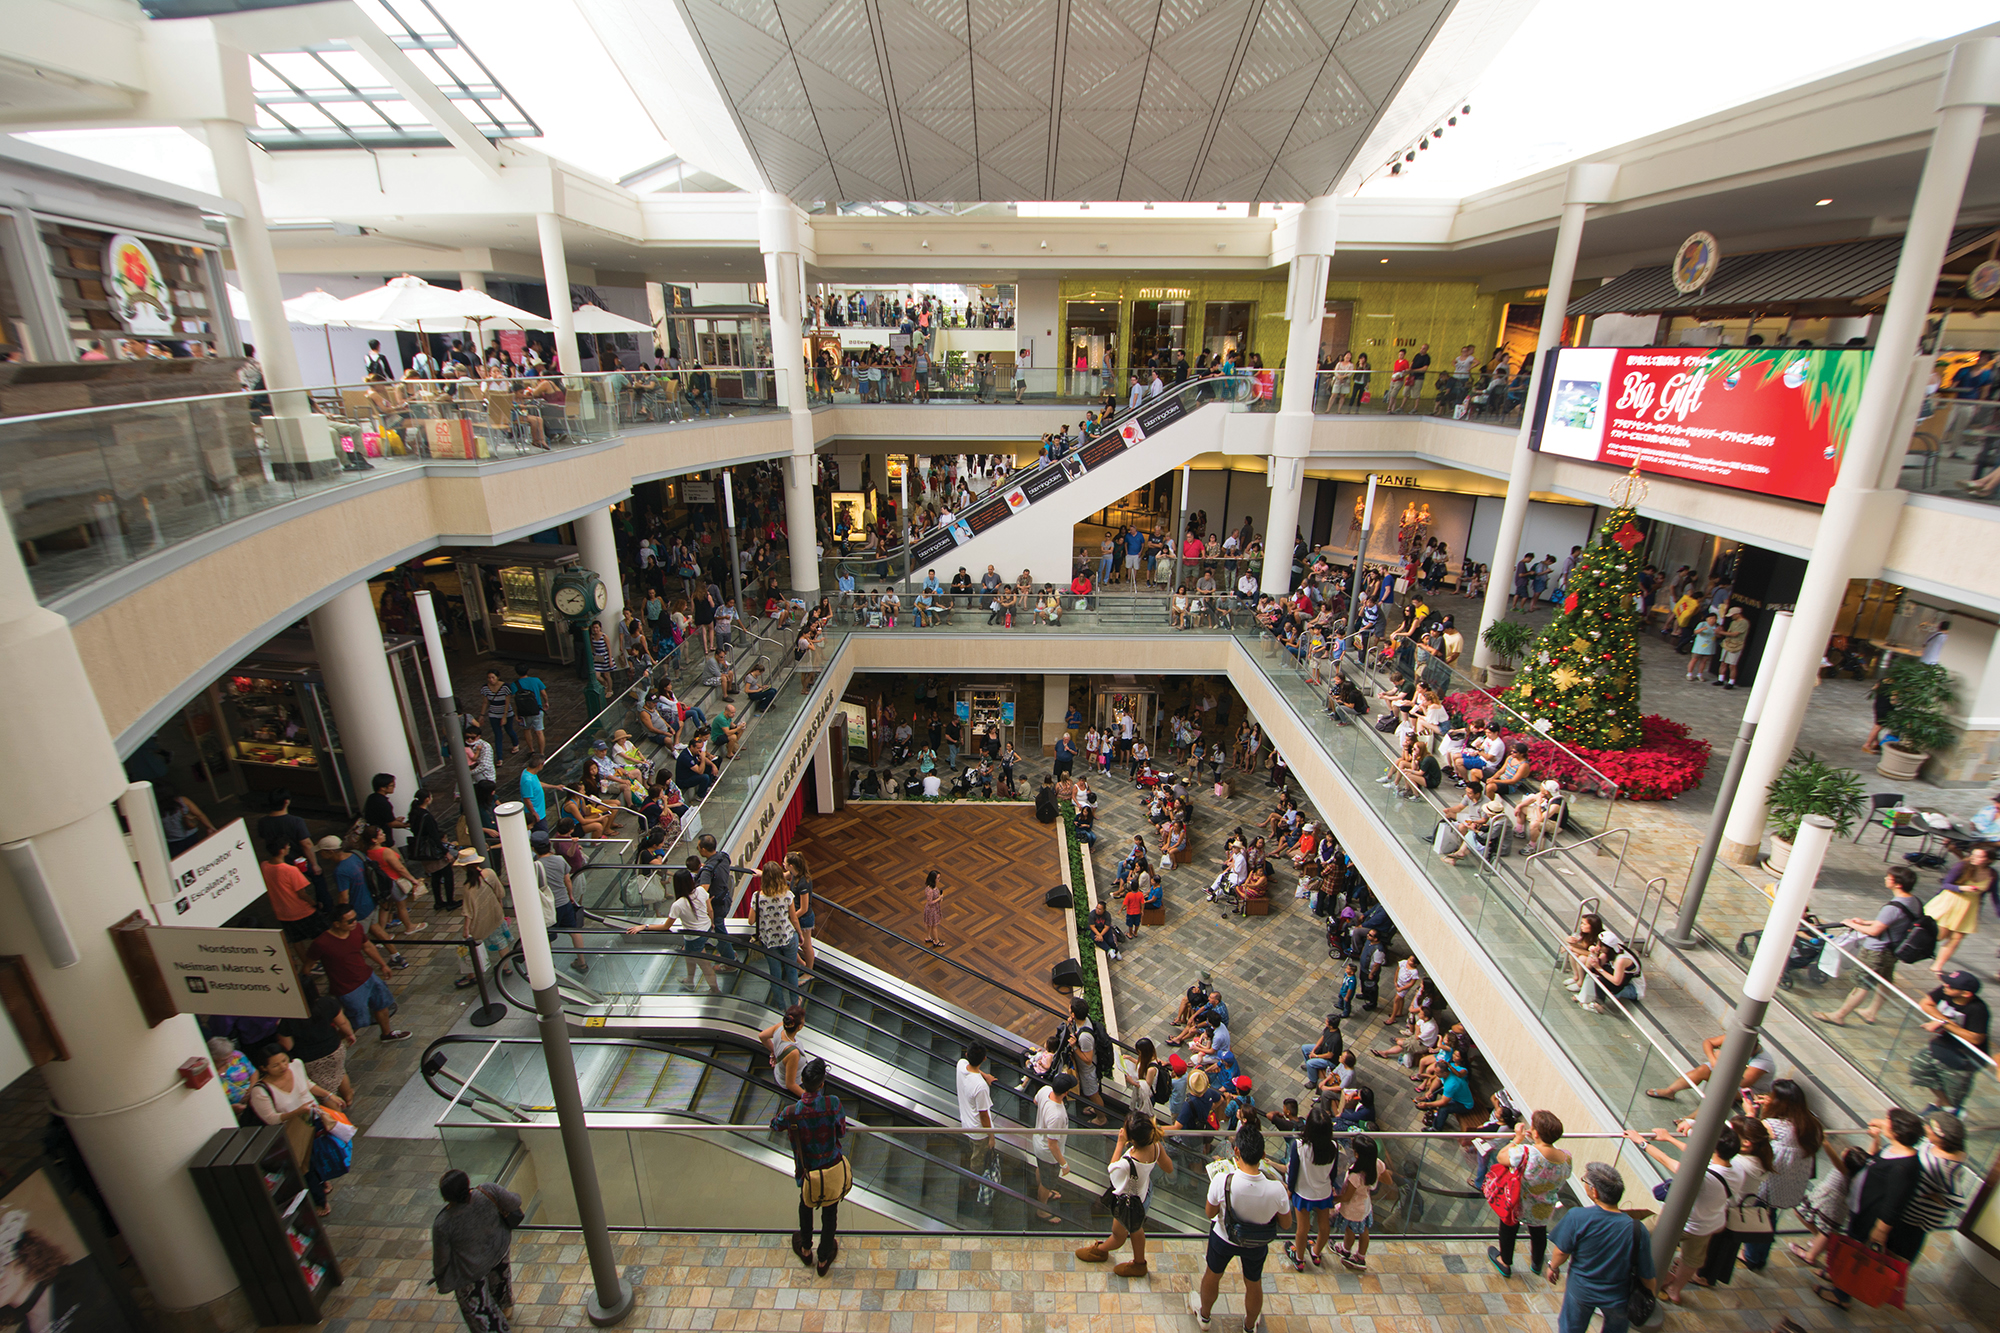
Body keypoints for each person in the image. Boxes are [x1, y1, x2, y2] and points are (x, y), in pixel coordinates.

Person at [1818, 1107, 1926, 1309]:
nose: (1884, 1122)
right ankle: (1838, 1279)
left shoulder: (1904, 1168)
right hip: (1862, 1211)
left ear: (1897, 1132)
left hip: (1871, 1221)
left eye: (1888, 1121)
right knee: (1850, 1247)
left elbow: (1894, 1204)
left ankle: (1842, 1295)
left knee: (1857, 1255)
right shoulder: (1893, 1149)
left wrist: (1880, 1231)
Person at [1189, 1126, 1291, 1332]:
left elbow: (1210, 1213)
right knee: (1253, 1282)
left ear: (1236, 1152)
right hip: (1257, 1243)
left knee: (1213, 1274)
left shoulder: (1222, 1181)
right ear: (1263, 1155)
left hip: (1224, 1238)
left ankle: (1205, 1316)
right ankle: (1249, 1325)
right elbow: (1286, 1224)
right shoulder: (1277, 1189)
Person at [1625, 1123, 1737, 1305]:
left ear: (1712, 1149)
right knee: (1692, 1259)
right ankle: (1675, 1290)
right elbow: (1699, 1155)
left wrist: (1641, 1142)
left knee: (1632, 1235)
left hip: (1681, 1222)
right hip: (1709, 1224)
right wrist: (1669, 1138)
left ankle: (1656, 1274)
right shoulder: (1735, 1168)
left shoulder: (1702, 1174)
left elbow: (1666, 1160)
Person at [1546, 1161, 1656, 1333]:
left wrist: (1552, 1267)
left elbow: (1561, 1251)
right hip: (1618, 1295)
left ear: (1594, 1191)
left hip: (1581, 1290)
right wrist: (1650, 1296)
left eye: (1585, 1181)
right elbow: (1646, 1272)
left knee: (1571, 1328)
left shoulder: (1578, 1217)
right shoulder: (1636, 1229)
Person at [1814, 867, 1922, 1026]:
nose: (1886, 879)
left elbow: (1875, 931)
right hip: (1893, 950)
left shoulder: (1892, 907)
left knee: (1862, 982)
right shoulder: (1914, 901)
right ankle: (1871, 1012)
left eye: (1889, 877)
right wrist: (1866, 922)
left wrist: (1851, 924)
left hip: (1876, 951)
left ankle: (1839, 1015)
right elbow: (1895, 922)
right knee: (1884, 980)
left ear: (1898, 884)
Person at [771, 1056, 848, 1276]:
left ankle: (806, 1249)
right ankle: (823, 1259)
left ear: (803, 1083)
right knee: (830, 1211)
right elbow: (841, 1131)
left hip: (807, 1171)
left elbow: (775, 1125)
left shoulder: (792, 1112)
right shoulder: (832, 1103)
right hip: (831, 1167)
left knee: (805, 1205)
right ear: (822, 1083)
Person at [247, 1043, 346, 1214]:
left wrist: (328, 1095)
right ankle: (320, 1201)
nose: (283, 1067)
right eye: (275, 1065)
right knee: (305, 1167)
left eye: (284, 1061)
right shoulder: (261, 1091)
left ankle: (322, 1181)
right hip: (293, 1132)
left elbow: (307, 1084)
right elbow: (271, 1119)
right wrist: (297, 1112)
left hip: (315, 1120)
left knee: (320, 1155)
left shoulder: (297, 1065)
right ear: (264, 1068)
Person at [431, 1168, 521, 1332]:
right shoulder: (488, 1190)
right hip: (498, 1250)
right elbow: (514, 1202)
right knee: (500, 1281)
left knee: (480, 1309)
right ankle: (506, 1308)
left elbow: (441, 1258)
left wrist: (439, 1274)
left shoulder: (443, 1224)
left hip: (470, 1269)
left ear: (445, 1196)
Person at [1488, 1110, 1572, 1280]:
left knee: (1508, 1228)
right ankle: (1536, 1263)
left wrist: (1517, 1139)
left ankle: (1505, 1262)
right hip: (1544, 1205)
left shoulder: (1526, 1152)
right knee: (1539, 1232)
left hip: (1519, 1201)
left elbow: (1501, 1157)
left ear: (1536, 1133)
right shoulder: (1566, 1157)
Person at [309, 906, 410, 1041]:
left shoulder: (357, 929)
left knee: (382, 1004)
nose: (354, 923)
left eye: (355, 919)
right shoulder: (321, 943)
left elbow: (367, 946)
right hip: (347, 988)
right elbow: (308, 965)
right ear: (337, 924)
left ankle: (386, 1034)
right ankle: (334, 1044)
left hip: (368, 976)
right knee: (355, 1020)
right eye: (350, 921)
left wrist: (383, 964)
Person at [1910, 971, 1989, 1113]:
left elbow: (1976, 1038)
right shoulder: (1945, 990)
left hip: (1966, 1057)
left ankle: (1947, 1112)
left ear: (1966, 994)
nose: (1946, 986)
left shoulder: (1978, 1009)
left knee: (1954, 1090)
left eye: (1951, 986)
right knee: (1919, 1068)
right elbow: (1926, 1003)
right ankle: (1946, 1107)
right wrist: (1943, 1021)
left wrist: (1943, 1024)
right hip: (1944, 1045)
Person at [1282, 1106, 1341, 1271]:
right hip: (1323, 1192)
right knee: (1324, 1226)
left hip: (1303, 1193)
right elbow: (1333, 1173)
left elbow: (1293, 1172)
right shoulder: (1333, 1147)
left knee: (1302, 1228)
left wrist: (1290, 1190)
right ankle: (1316, 1253)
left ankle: (1299, 1259)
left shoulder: (1299, 1146)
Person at [1644, 1032, 1775, 1101]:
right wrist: (1713, 1060)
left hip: (1749, 1091)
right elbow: (1709, 1042)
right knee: (1703, 1070)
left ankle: (1694, 1119)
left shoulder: (1762, 1063)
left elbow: (1743, 1083)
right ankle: (1670, 1091)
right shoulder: (1735, 1039)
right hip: (1727, 1070)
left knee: (1721, 1089)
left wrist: (1721, 1061)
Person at [1926, 846, 1991, 972]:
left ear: (1988, 860)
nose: (1974, 858)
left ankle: (1938, 965)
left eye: (1979, 856)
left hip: (1969, 908)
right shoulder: (1962, 866)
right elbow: (1946, 884)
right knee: (1940, 936)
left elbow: (1993, 895)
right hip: (1951, 903)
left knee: (1957, 939)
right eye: (1973, 855)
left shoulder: (1991, 874)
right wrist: (1962, 888)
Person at [1333, 1133, 1389, 1272]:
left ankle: (1346, 1250)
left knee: (1350, 1230)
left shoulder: (1355, 1176)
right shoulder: (1377, 1164)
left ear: (1358, 1155)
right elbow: (1387, 1179)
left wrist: (1334, 1198)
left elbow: (1346, 1197)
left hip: (1353, 1210)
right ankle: (1361, 1255)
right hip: (1365, 1206)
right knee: (1364, 1231)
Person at [751, 861, 803, 1006]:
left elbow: (750, 920)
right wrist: (800, 934)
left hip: (769, 941)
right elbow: (793, 918)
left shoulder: (757, 896)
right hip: (788, 937)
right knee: (791, 971)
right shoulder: (787, 895)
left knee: (775, 974)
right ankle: (794, 1003)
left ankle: (780, 1006)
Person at [1030, 1071, 1074, 1224]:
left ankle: (1044, 1192)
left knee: (1041, 1169)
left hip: (1038, 1143)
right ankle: (1041, 1209)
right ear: (1066, 1092)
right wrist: (1064, 1164)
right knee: (1047, 1181)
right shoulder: (1057, 1115)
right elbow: (1052, 1144)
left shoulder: (1045, 1090)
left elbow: (1036, 1101)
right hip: (1048, 1153)